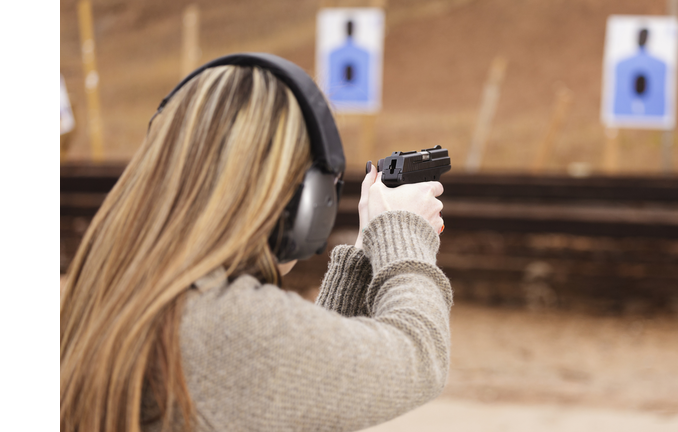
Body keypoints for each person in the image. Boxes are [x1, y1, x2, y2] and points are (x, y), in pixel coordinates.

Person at [60, 56, 451, 432]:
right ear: (305, 205)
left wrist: (364, 259)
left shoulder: (116, 289)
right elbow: (420, 355)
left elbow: (285, 399)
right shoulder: (224, 322)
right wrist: (404, 234)